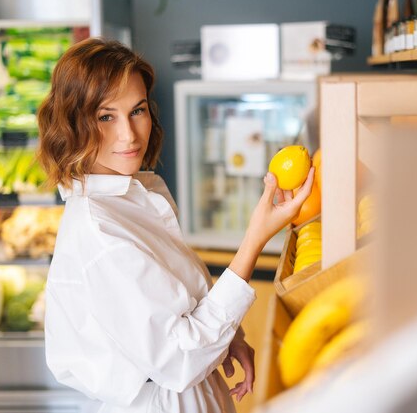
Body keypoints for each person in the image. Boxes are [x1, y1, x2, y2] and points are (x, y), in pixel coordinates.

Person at [37, 38, 314, 413]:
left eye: (137, 111)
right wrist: (256, 238)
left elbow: (172, 304)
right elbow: (181, 357)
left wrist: (228, 336)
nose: (129, 134)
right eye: (106, 116)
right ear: (72, 123)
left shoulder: (131, 194)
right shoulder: (99, 234)